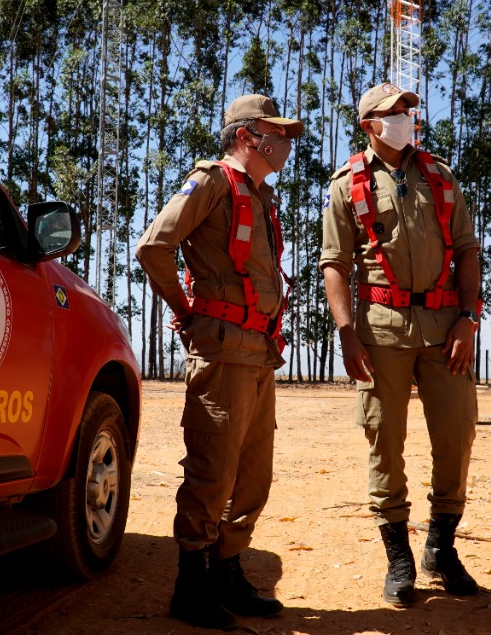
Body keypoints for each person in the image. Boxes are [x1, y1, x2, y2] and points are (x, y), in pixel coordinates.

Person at [135, 94, 302, 630]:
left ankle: (227, 571)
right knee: (212, 472)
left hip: (258, 351)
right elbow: (153, 246)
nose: (286, 144)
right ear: (247, 136)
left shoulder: (262, 197)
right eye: (276, 133)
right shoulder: (210, 181)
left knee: (253, 476)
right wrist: (186, 310)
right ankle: (191, 585)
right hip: (222, 349)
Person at [320, 82, 482, 607]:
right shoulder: (346, 185)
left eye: (410, 108)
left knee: (457, 437)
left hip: (444, 329)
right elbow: (334, 266)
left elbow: (467, 251)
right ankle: (399, 558)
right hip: (380, 330)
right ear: (370, 125)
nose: (408, 116)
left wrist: (468, 319)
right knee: (385, 441)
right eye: (395, 112)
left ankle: (441, 547)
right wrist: (346, 333)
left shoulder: (441, 176)